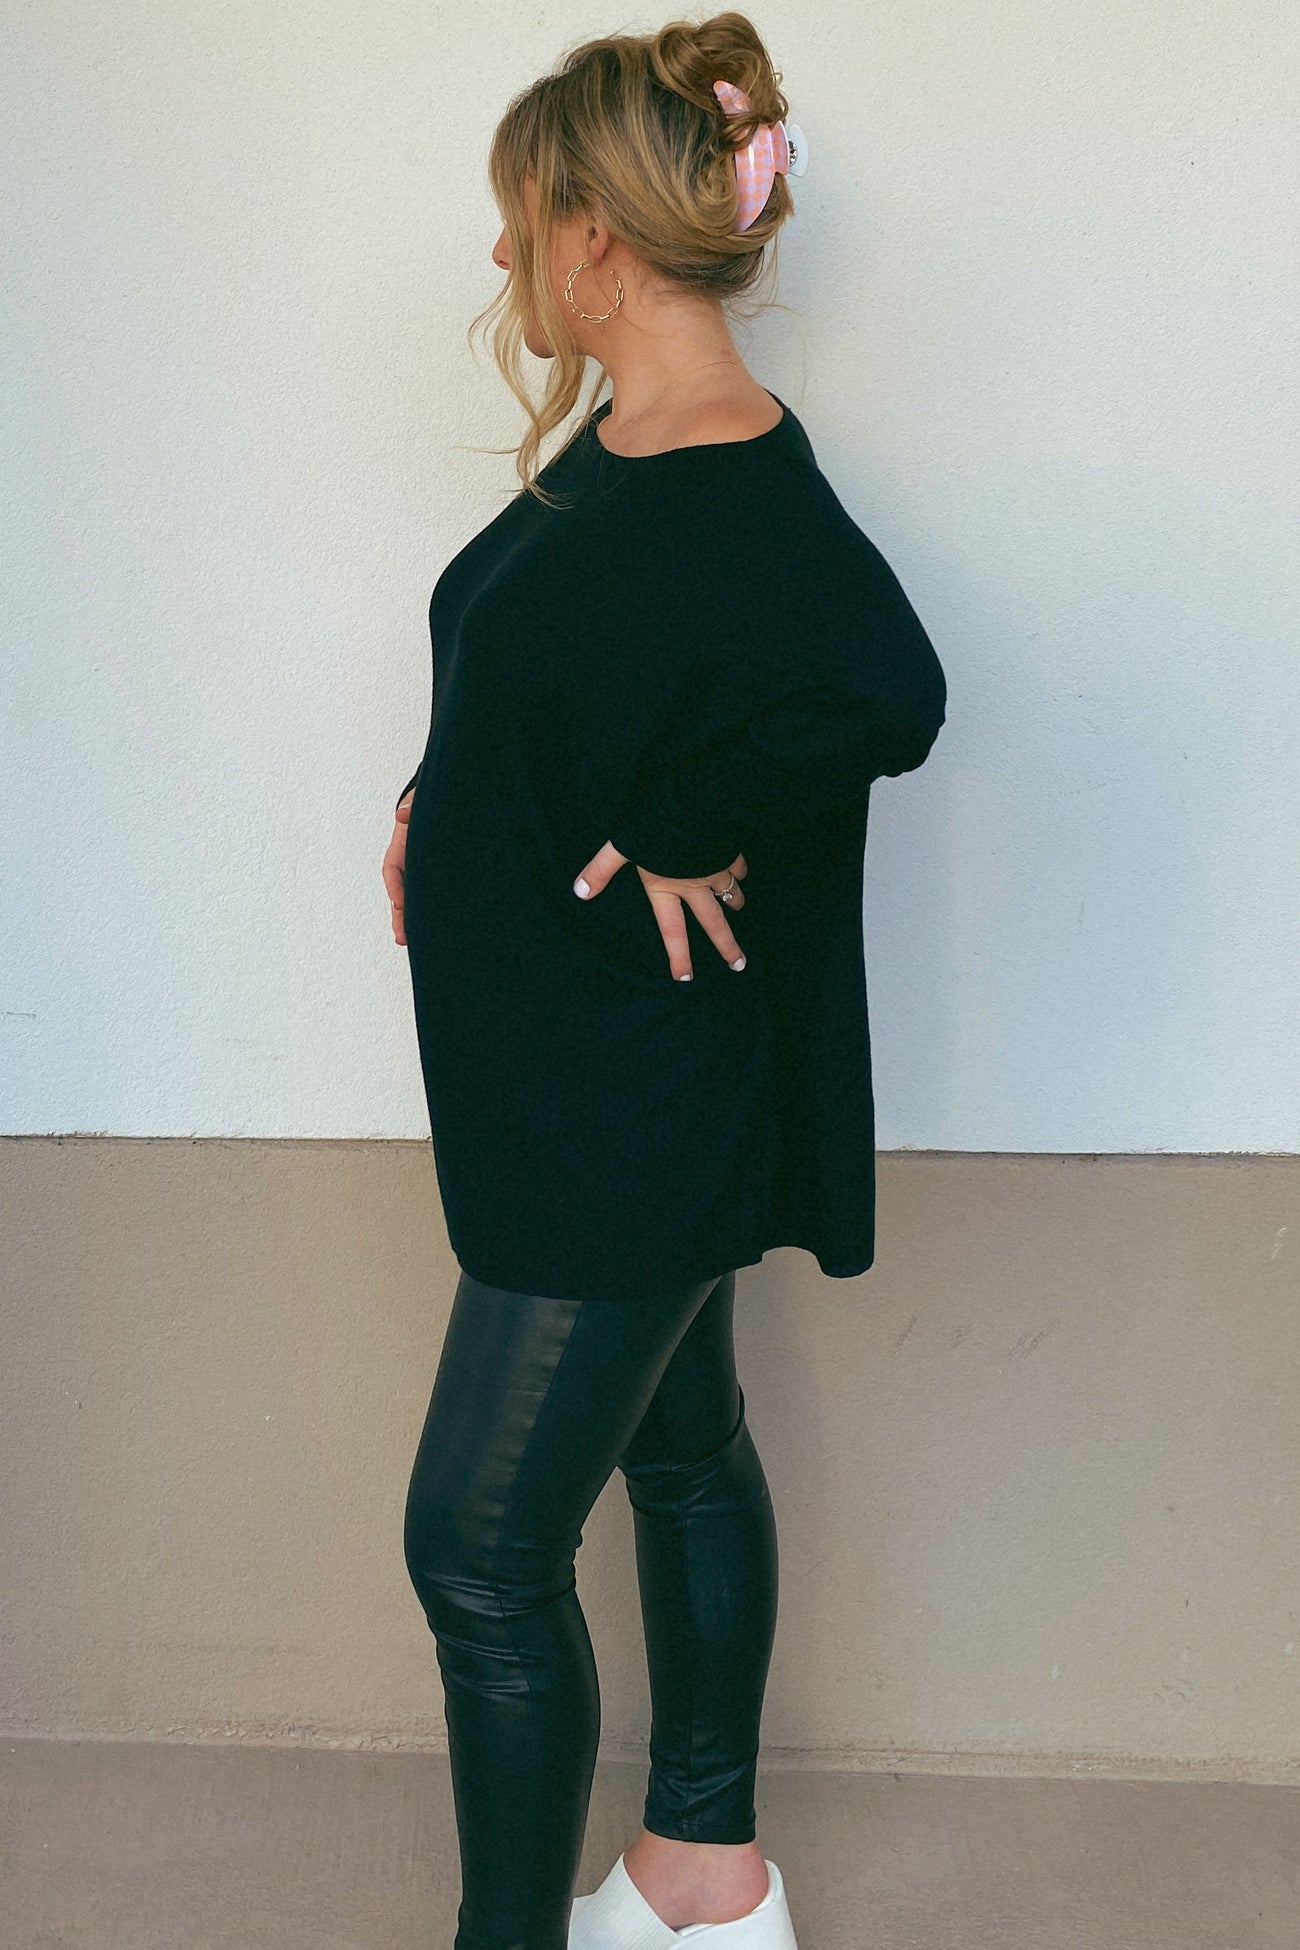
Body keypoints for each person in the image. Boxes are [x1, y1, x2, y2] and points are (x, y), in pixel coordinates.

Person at [382, 15, 947, 1949]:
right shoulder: (628, 447)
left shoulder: (731, 474)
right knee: (680, 1445)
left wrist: (681, 815)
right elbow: (562, 685)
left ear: (596, 233)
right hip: (579, 1071)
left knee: (475, 1545)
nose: (500, 257)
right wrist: (441, 803)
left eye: (518, 218)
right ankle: (707, 1884)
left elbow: (892, 692)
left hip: (625, 1095)